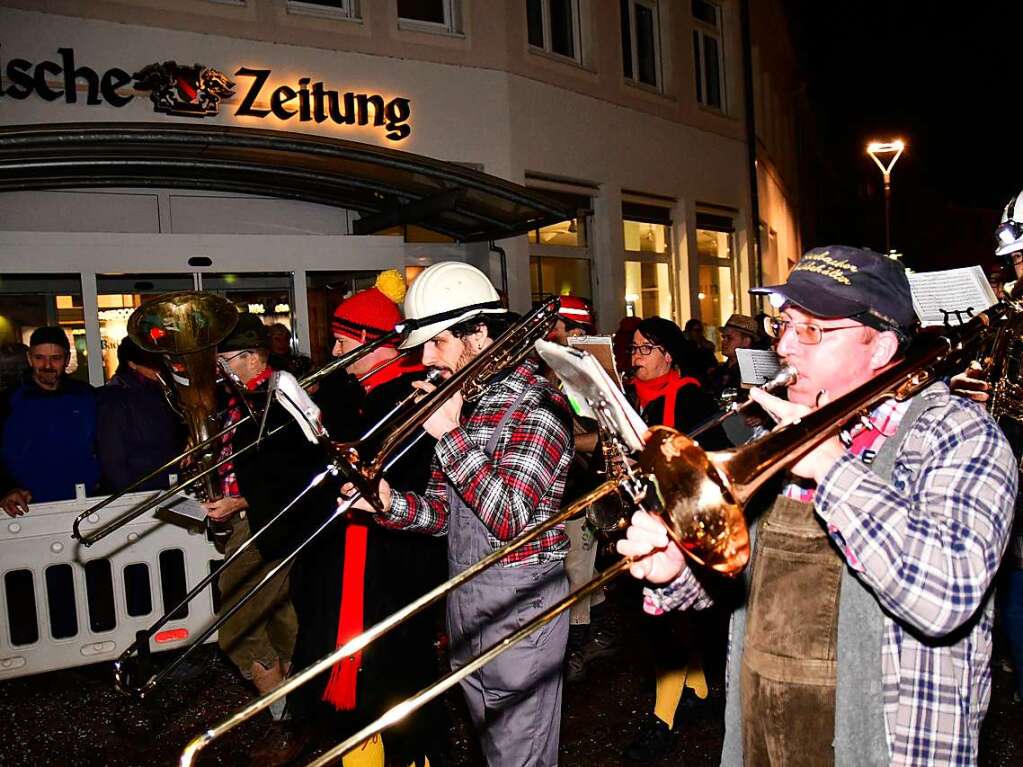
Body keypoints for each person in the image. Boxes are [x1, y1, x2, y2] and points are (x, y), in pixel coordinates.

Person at [619, 245, 1018, 766]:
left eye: (811, 329)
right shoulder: (779, 435)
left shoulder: (958, 436)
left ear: (879, 347)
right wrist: (678, 570)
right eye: (783, 323)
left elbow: (945, 595)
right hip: (763, 744)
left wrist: (832, 468)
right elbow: (739, 587)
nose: (784, 345)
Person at [342, 261, 575, 767]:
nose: (427, 359)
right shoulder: (468, 406)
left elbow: (512, 518)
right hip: (465, 598)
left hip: (521, 605)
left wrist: (449, 435)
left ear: (480, 334)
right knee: (493, 750)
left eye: (438, 342)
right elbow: (444, 515)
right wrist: (384, 501)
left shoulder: (539, 407)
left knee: (522, 755)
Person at [287, 270, 446, 767]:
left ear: (370, 344)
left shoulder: (411, 397)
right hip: (356, 559)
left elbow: (414, 487)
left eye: (340, 342)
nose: (334, 354)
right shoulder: (352, 393)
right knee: (358, 695)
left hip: (394, 566)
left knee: (391, 687)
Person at [625, 315, 727, 762]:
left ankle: (662, 720)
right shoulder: (629, 397)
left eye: (646, 349)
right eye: (633, 349)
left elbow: (716, 457)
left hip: (680, 522)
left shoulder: (690, 398)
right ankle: (701, 691)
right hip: (643, 521)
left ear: (668, 356)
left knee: (664, 625)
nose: (636, 357)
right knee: (667, 621)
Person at [202, 314, 313, 714]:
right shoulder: (246, 397)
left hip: (271, 523)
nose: (221, 369)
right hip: (263, 521)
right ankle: (298, 709)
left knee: (235, 629)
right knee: (283, 619)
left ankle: (280, 708)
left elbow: (301, 469)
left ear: (253, 356)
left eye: (226, 359)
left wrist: (241, 501)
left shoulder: (280, 396)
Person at [544, 296, 619, 683]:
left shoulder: (587, 376)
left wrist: (561, 441)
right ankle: (602, 633)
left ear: (574, 332)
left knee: (575, 576)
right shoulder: (555, 373)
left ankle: (574, 652)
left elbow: (603, 436)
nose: (545, 332)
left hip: (582, 487)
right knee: (580, 572)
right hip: (562, 488)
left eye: (553, 325)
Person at [0, 327, 99, 516]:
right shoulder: (9, 401)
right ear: (29, 359)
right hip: (27, 506)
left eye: (56, 358)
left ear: (67, 360)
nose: (47, 365)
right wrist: (6, 489)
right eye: (39, 358)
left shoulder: (87, 396)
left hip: (86, 502)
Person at [96, 336, 183, 493]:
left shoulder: (161, 391)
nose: (158, 370)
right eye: (151, 365)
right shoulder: (114, 398)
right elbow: (112, 455)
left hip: (165, 482)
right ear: (132, 364)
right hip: (138, 488)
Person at [707, 314, 759, 402]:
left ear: (746, 341)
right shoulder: (718, 371)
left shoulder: (752, 372)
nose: (724, 341)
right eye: (723, 337)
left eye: (729, 338)